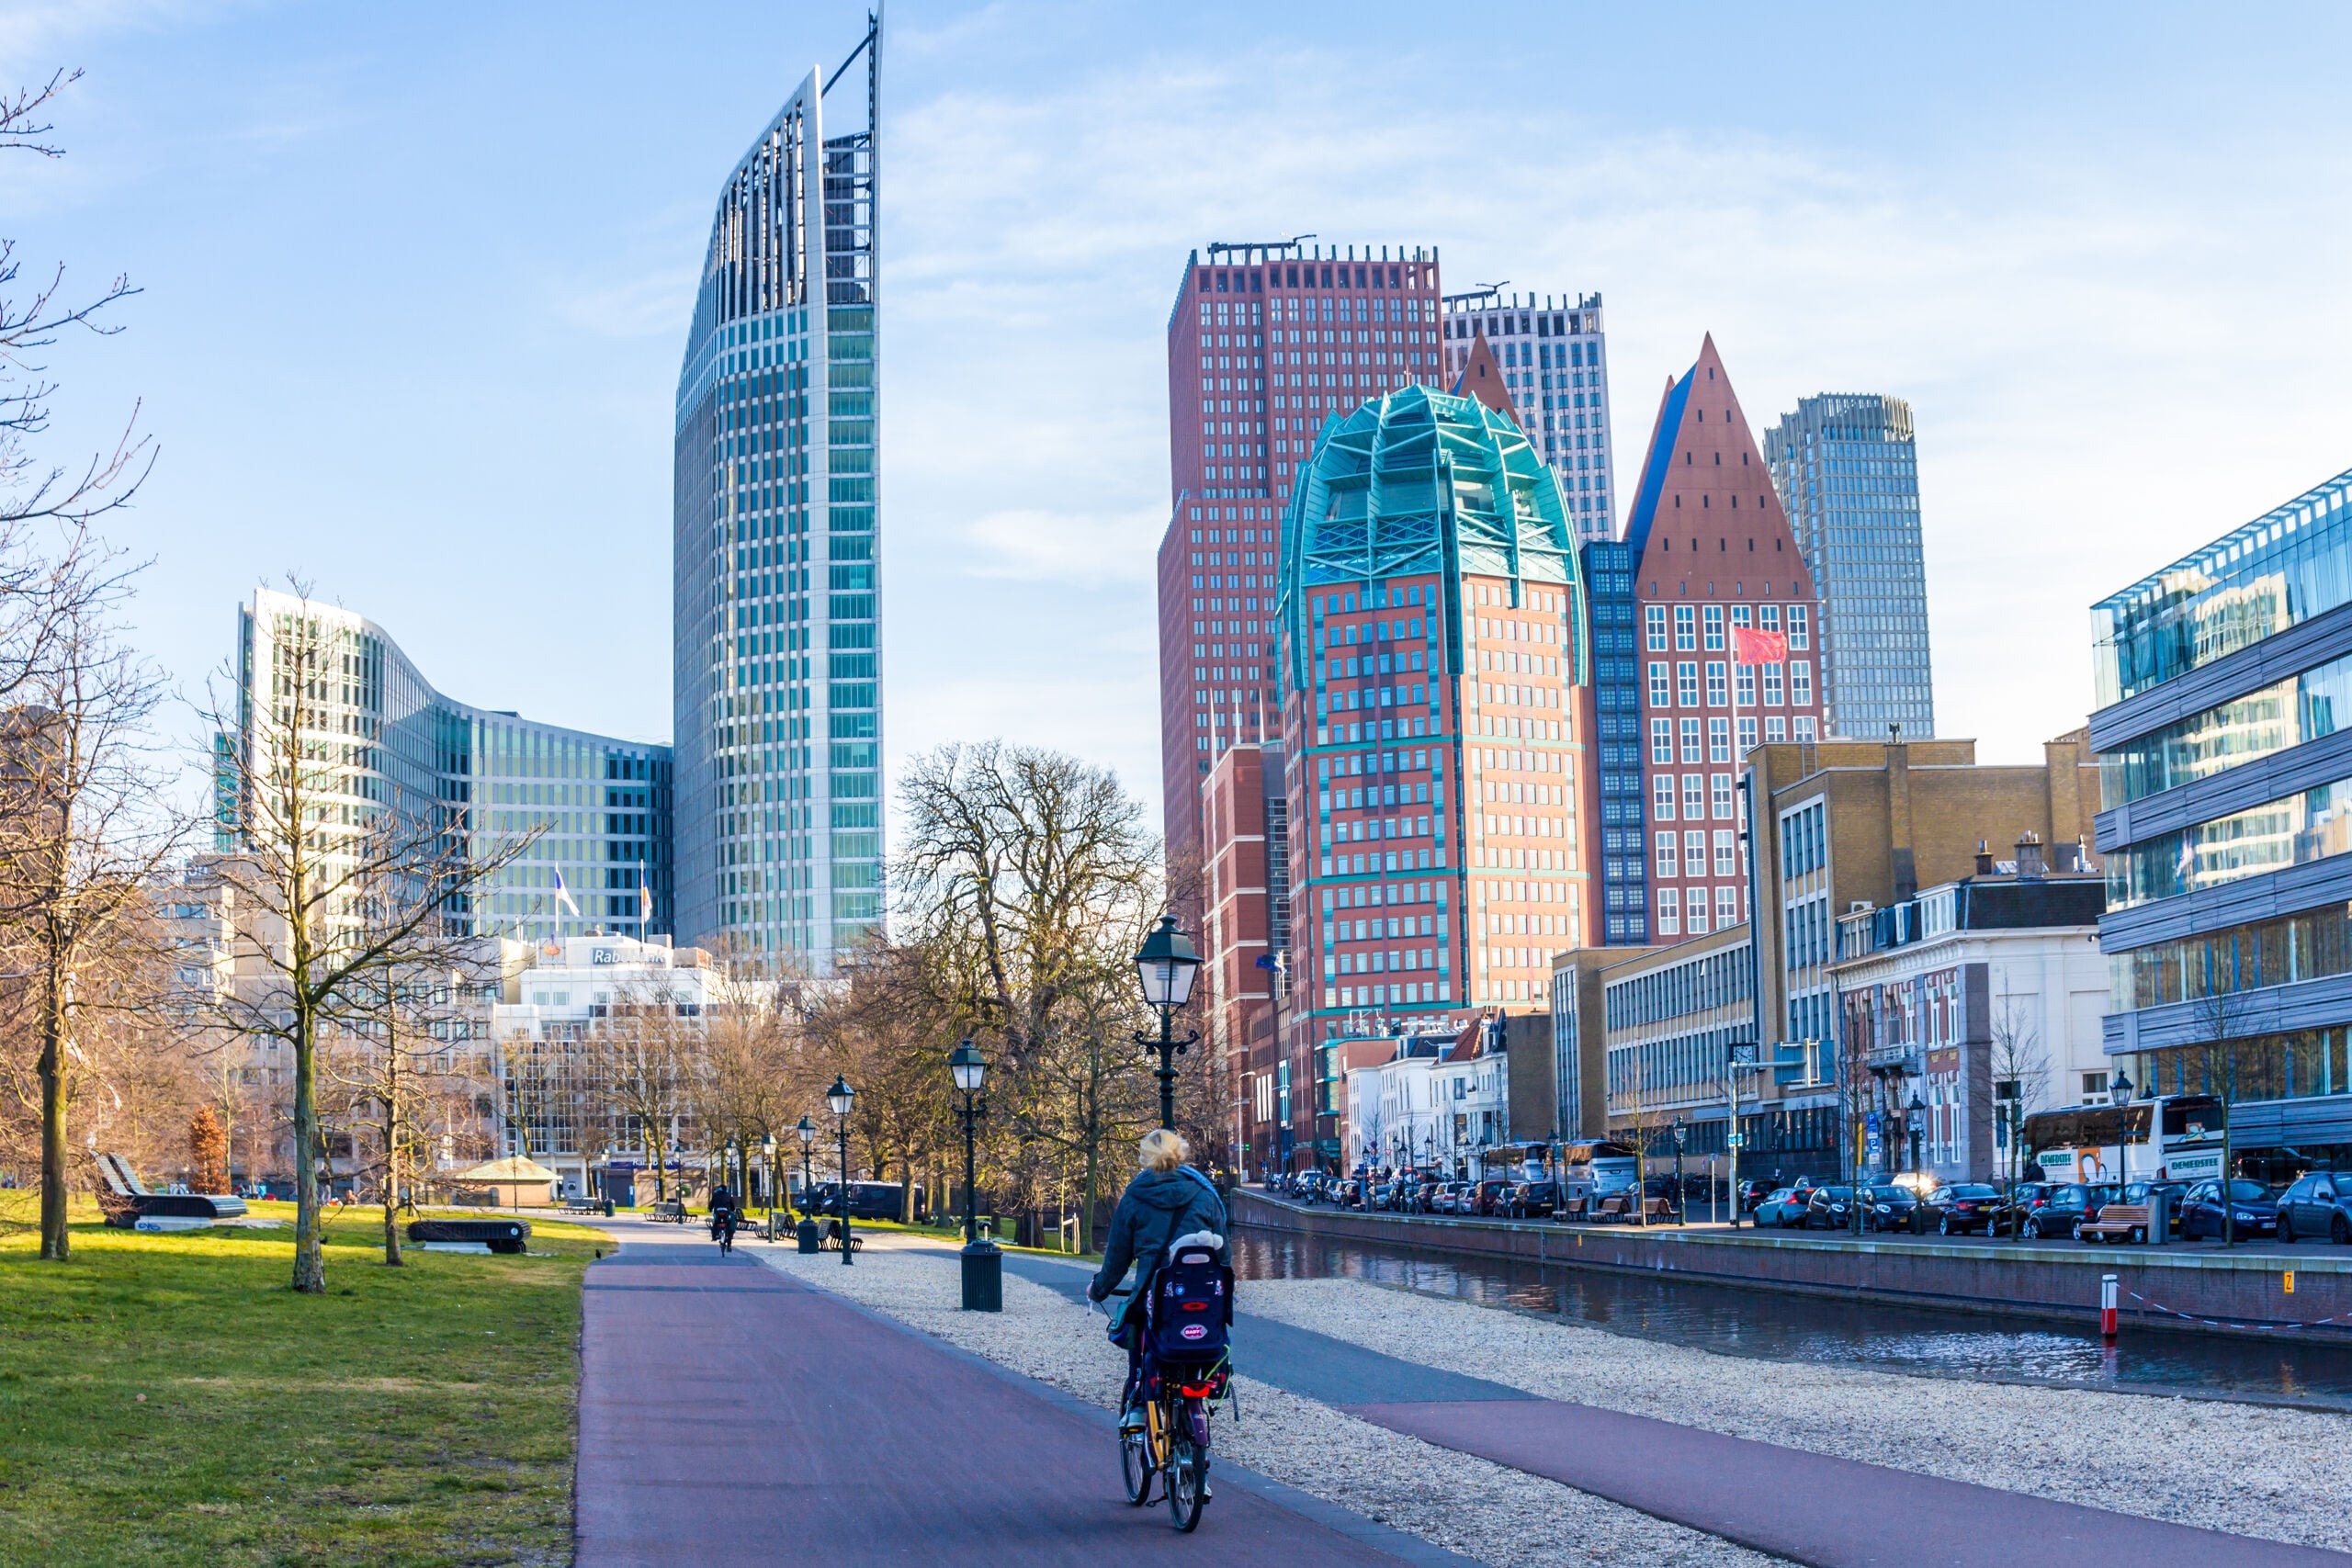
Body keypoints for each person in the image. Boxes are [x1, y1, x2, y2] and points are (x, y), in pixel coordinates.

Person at [1088, 1129, 1227, 1431]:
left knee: (1137, 1320)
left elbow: (1117, 1259)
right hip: (1199, 1293)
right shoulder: (1205, 1194)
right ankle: (1204, 1383)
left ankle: (1139, 1403)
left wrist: (1098, 1290)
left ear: (1144, 1158)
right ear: (1181, 1153)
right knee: (1206, 1322)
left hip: (1154, 1292)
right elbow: (1224, 1257)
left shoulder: (1134, 1198)